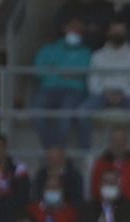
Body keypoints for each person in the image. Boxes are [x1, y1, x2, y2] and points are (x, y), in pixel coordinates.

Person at [79, 20, 130, 149]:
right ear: (108, 33)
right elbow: (92, 83)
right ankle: (86, 153)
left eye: (120, 30)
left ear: (126, 33)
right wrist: (105, 93)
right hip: (103, 94)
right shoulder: (98, 55)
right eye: (114, 30)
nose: (117, 33)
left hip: (129, 94)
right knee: (82, 112)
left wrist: (124, 93)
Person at [34, 18, 94, 150]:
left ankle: (56, 151)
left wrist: (53, 69)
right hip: (48, 89)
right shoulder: (47, 50)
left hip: (74, 91)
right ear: (65, 28)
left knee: (65, 115)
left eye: (80, 29)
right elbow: (38, 72)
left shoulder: (86, 52)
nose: (76, 31)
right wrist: (67, 73)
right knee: (37, 113)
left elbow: (83, 73)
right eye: (73, 27)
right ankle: (51, 150)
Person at [89, 127, 130, 211]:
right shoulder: (100, 164)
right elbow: (95, 192)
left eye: (121, 141)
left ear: (127, 142)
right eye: (115, 141)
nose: (119, 144)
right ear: (111, 143)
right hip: (106, 209)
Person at [33, 145, 86, 209]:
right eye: (51, 158)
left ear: (63, 158)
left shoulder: (74, 176)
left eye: (57, 158)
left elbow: (77, 199)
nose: (54, 162)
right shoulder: (40, 175)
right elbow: (36, 196)